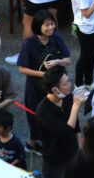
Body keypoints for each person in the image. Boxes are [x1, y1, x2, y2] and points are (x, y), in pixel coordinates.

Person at [17, 9, 70, 153]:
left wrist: (58, 62)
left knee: (55, 115)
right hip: (35, 88)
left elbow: (68, 59)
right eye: (46, 25)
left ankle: (48, 143)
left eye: (52, 24)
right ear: (38, 26)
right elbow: (22, 68)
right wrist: (42, 74)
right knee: (36, 117)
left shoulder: (56, 38)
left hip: (55, 87)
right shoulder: (29, 44)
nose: (51, 28)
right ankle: (32, 143)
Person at [36, 64, 85, 178]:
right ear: (55, 89)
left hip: (72, 152)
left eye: (68, 81)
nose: (69, 85)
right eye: (65, 84)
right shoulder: (43, 111)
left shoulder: (67, 97)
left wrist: (80, 148)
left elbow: (76, 127)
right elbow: (66, 131)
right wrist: (76, 107)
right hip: (54, 158)